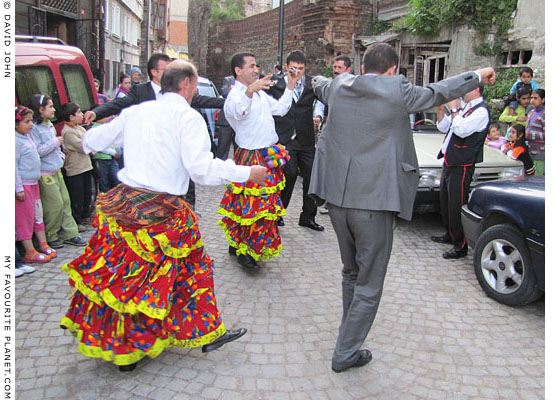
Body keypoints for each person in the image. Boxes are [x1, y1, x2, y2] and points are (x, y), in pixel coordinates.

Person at [60, 60, 267, 372]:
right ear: (185, 85)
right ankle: (191, 333)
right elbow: (201, 169)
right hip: (163, 210)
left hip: (126, 205)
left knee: (126, 278)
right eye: (195, 86)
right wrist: (247, 172)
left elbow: (91, 142)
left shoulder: (136, 112)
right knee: (189, 271)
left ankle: (142, 344)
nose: (195, 91)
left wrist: (82, 128)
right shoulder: (188, 117)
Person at [310, 43, 496, 373]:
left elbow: (319, 83)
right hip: (375, 203)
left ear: (362, 65)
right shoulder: (398, 90)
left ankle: (347, 335)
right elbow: (439, 92)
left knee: (351, 272)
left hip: (337, 201)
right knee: (369, 282)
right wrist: (478, 75)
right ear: (393, 70)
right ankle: (346, 352)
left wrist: (310, 78)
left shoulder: (337, 86)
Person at [83, 53, 224, 209]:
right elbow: (118, 105)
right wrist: (97, 113)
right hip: (142, 186)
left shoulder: (184, 107)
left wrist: (228, 103)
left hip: (173, 178)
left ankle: (188, 206)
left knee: (186, 196)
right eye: (165, 69)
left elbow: (204, 101)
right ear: (154, 72)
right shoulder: (140, 96)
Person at [218, 52, 301, 271]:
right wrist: (248, 92)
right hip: (249, 157)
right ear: (238, 70)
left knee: (258, 206)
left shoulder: (261, 94)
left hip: (267, 155)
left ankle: (239, 244)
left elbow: (281, 109)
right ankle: (245, 251)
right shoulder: (235, 96)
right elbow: (237, 112)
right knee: (250, 206)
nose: (257, 69)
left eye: (257, 65)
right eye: (252, 66)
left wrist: (290, 85)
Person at [267, 50, 325, 231]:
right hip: (285, 138)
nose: (297, 72)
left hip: (306, 138)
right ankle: (277, 214)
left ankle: (308, 216)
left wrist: (318, 115)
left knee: (311, 177)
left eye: (301, 69)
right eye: (293, 68)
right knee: (289, 174)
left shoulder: (311, 84)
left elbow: (322, 101)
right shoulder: (275, 83)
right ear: (286, 67)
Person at [431, 83, 490, 259]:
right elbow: (444, 127)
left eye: (467, 89)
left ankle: (461, 246)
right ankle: (450, 234)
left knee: (457, 204)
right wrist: (441, 110)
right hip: (450, 160)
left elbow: (462, 131)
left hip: (463, 164)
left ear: (476, 90)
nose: (463, 93)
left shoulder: (481, 111)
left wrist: (455, 109)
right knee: (446, 202)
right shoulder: (465, 109)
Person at [29, 94, 86, 249]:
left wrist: (59, 154)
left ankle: (71, 233)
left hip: (56, 169)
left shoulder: (49, 125)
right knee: (54, 205)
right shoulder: (34, 128)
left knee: (65, 202)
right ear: (40, 109)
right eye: (50, 106)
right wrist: (54, 143)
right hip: (45, 172)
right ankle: (51, 235)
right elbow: (36, 151)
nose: (54, 109)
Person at [15, 105, 57, 263]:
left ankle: (43, 243)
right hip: (24, 185)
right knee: (24, 218)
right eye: (26, 122)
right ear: (16, 124)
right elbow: (13, 166)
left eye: (31, 121)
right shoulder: (14, 141)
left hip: (34, 182)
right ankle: (29, 250)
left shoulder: (28, 136)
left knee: (37, 214)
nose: (31, 124)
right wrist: (18, 187)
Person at [317, 55, 352, 216]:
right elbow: (319, 102)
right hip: (331, 135)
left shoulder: (353, 87)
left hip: (348, 137)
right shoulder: (329, 86)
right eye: (335, 67)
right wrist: (317, 116)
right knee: (330, 169)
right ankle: (329, 201)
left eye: (340, 68)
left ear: (348, 70)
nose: (336, 70)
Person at [60, 103, 94, 232]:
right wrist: (89, 144)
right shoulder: (67, 132)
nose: (81, 115)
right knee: (77, 196)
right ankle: (77, 220)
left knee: (87, 193)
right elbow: (83, 146)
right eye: (79, 112)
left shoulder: (79, 128)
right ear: (71, 117)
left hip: (86, 166)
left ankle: (86, 215)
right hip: (75, 169)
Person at [215, 75, 237, 160]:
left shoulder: (247, 83)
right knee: (223, 148)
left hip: (239, 121)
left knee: (239, 149)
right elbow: (224, 93)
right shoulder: (228, 80)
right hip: (226, 121)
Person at [526, 88, 545, 175]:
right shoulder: (531, 112)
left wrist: (529, 135)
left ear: (543, 99)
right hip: (530, 151)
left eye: (535, 98)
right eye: (531, 98)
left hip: (540, 153)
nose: (532, 100)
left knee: (537, 179)